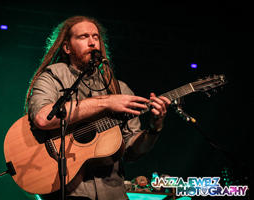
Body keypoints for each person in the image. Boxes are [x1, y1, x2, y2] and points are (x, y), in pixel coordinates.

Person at [25, 16, 171, 200]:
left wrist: (153, 128)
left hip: (112, 193)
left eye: (96, 37)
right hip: (67, 192)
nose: (92, 42)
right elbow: (42, 118)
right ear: (67, 47)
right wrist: (106, 103)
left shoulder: (119, 90)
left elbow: (133, 152)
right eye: (83, 37)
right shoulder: (52, 77)